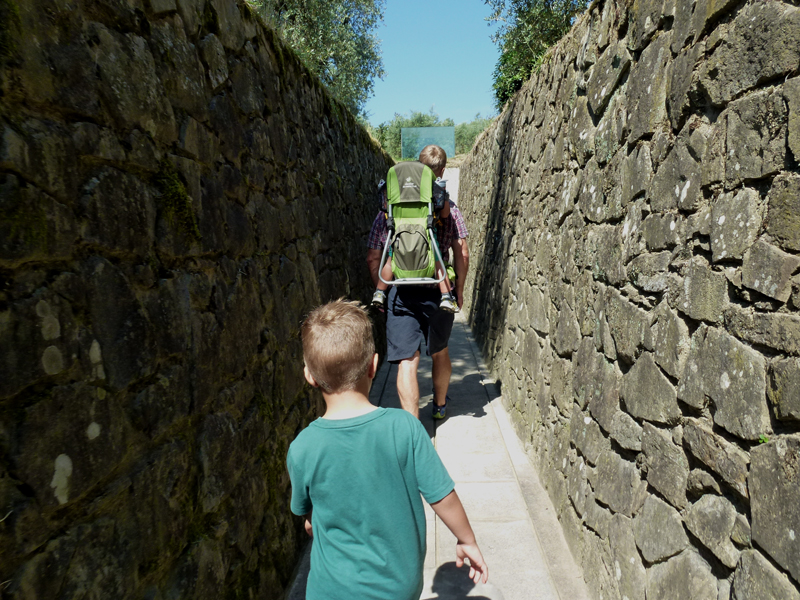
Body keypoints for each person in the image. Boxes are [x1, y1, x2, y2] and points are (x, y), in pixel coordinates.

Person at [287, 300, 488, 600]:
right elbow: (442, 493)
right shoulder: (404, 427)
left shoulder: (302, 447)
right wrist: (466, 539)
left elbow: (308, 518)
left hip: (329, 590)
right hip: (396, 588)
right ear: (373, 364)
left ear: (310, 377)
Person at [366, 145, 470, 420]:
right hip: (438, 290)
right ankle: (439, 406)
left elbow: (373, 255)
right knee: (440, 351)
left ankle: (412, 424)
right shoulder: (449, 207)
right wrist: (457, 290)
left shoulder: (389, 209)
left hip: (400, 292)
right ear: (441, 170)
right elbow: (463, 251)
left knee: (406, 362)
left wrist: (381, 290)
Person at [371, 146, 457, 313]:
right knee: (437, 260)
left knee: (391, 260)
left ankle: (379, 292)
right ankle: (446, 296)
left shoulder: (398, 188)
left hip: (399, 232)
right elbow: (445, 214)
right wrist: (443, 193)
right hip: (425, 230)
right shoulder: (434, 186)